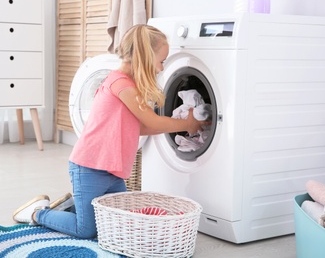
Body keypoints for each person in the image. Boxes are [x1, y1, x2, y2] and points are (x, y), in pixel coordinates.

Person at [12, 24, 209, 239]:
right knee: (86, 230)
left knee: (119, 223)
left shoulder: (129, 86)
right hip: (89, 168)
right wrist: (187, 124)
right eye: (161, 61)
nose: (161, 69)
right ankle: (38, 213)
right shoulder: (121, 84)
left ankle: (72, 206)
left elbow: (143, 126)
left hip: (113, 173)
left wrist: (182, 123)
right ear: (144, 55)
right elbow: (151, 119)